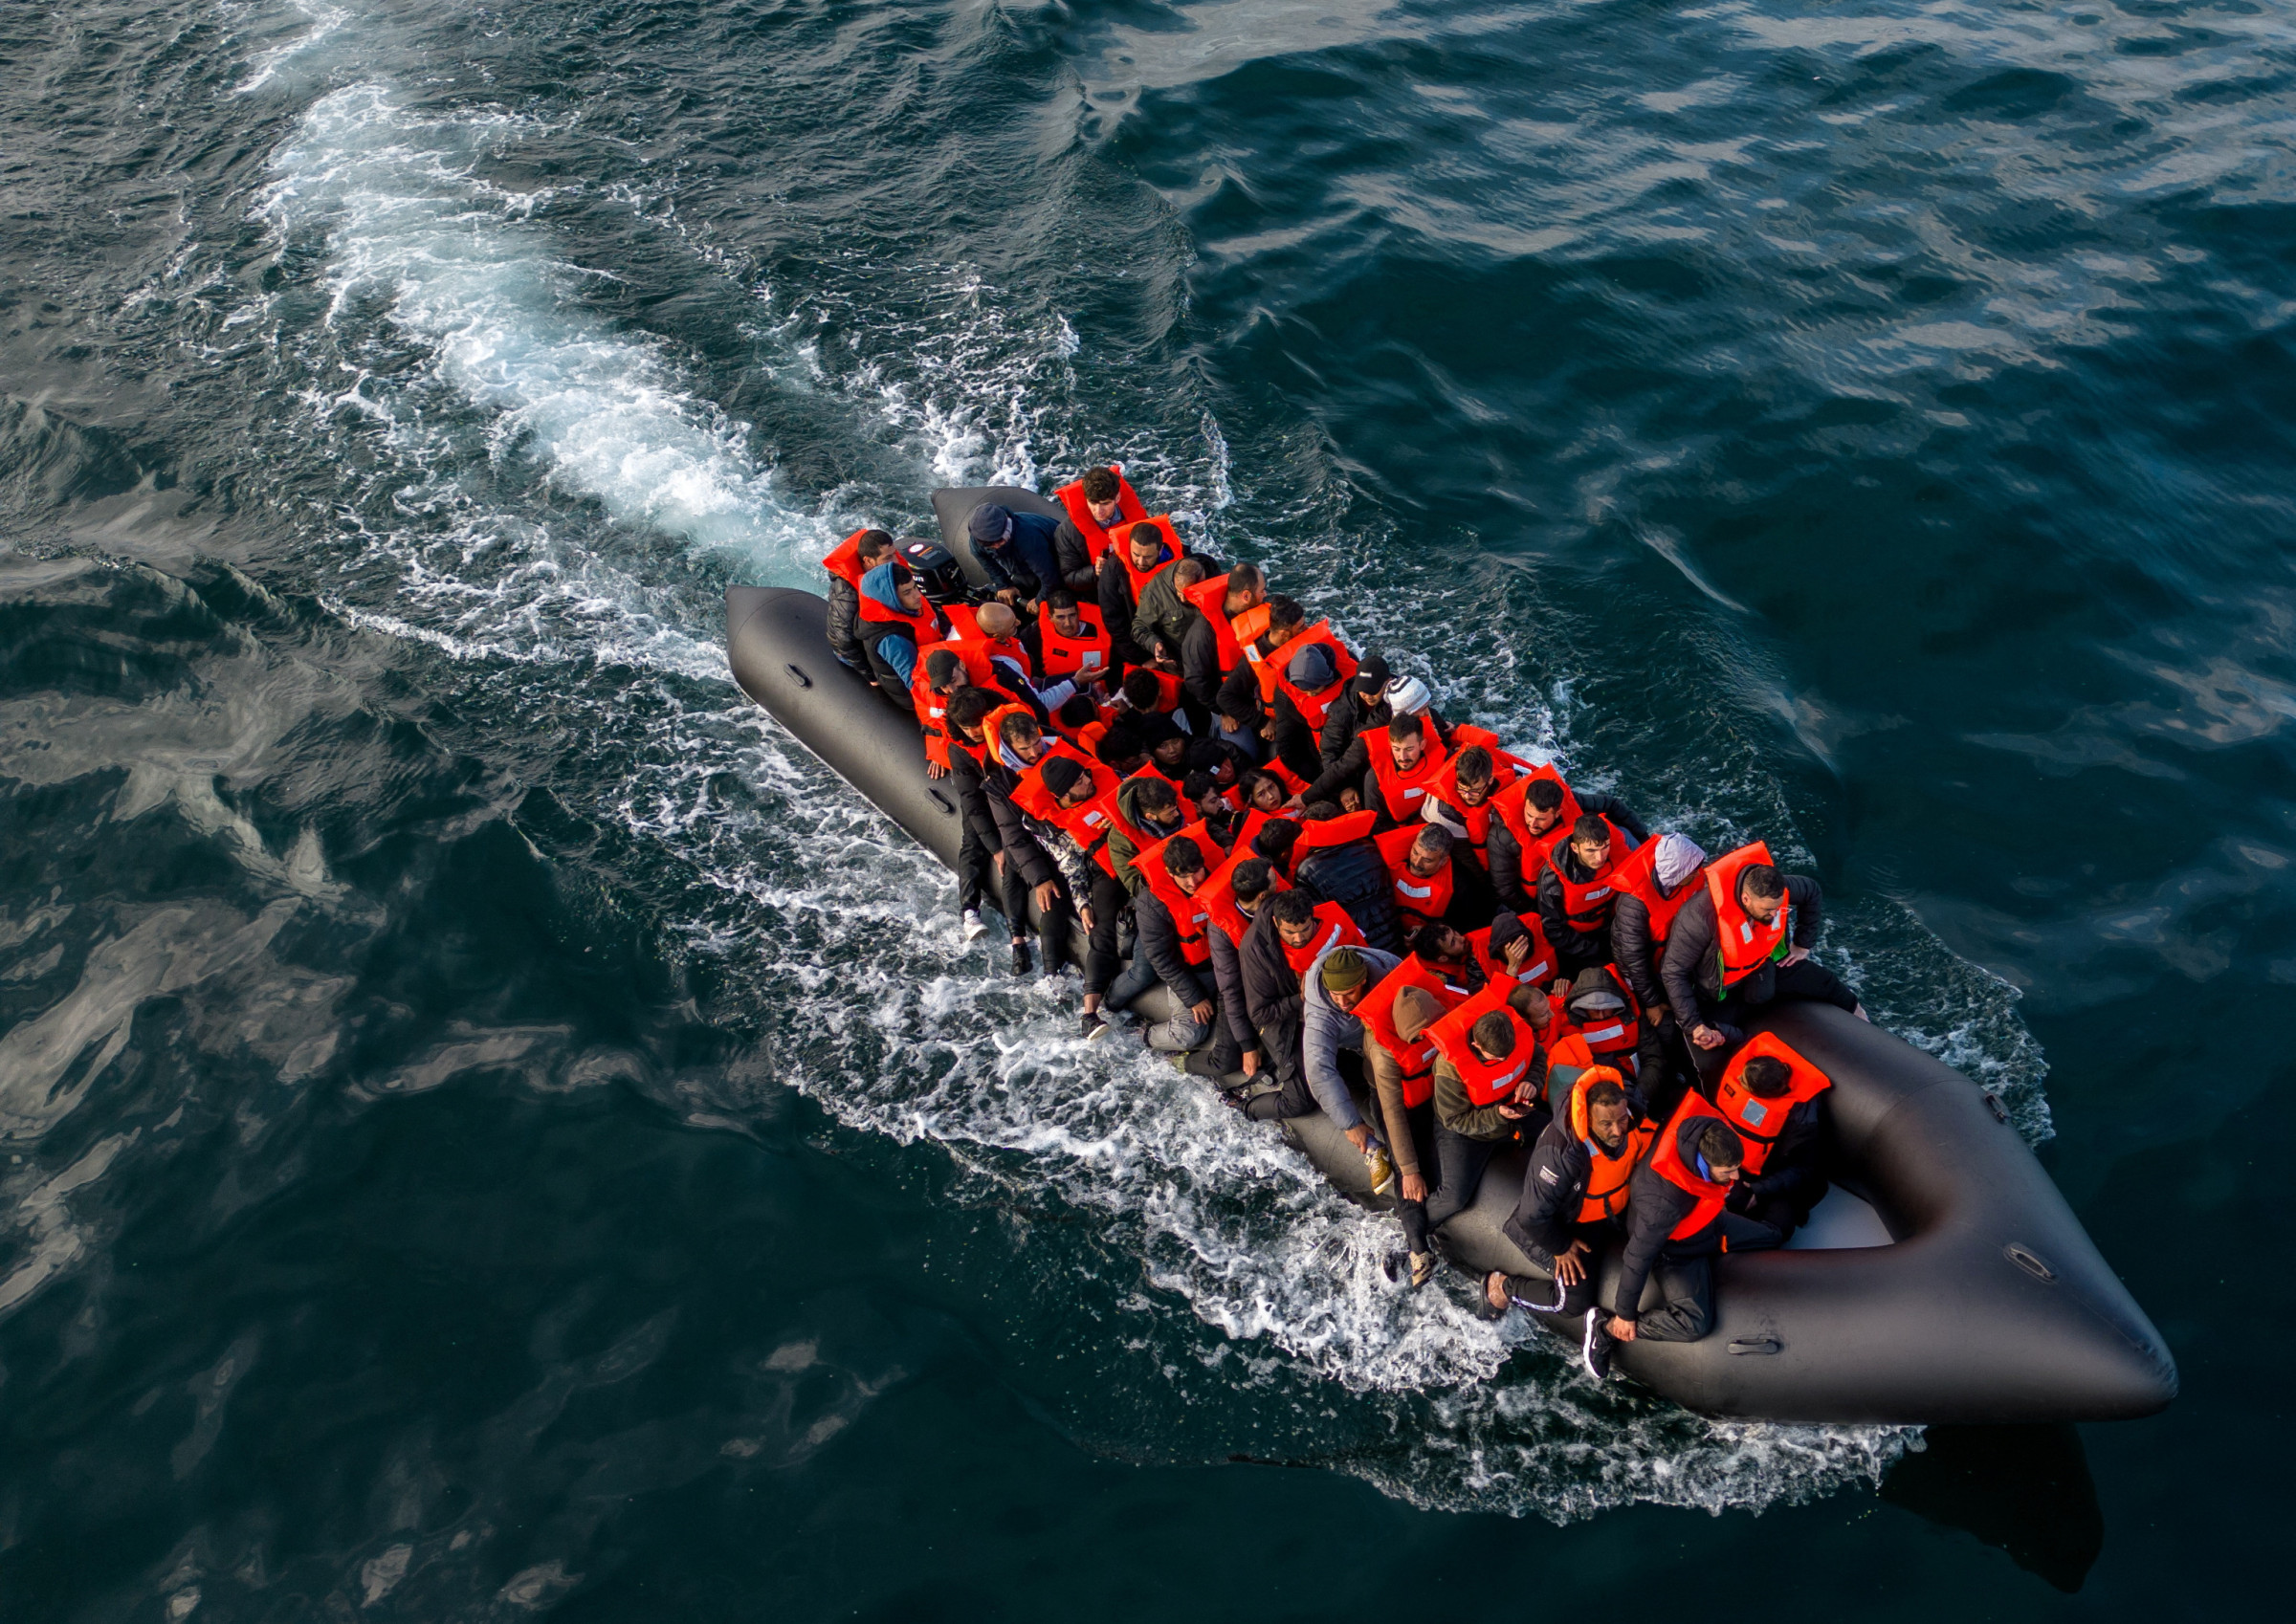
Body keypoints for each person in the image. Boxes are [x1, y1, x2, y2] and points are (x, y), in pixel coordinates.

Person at [1584, 1101, 1783, 1379]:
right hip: (1675, 1250)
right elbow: (1637, 1257)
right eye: (1728, 1172)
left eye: (1736, 1168)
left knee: (1772, 1236)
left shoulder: (1704, 1132)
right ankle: (1604, 1329)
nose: (1735, 1177)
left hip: (1708, 1221)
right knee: (1694, 1325)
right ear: (1705, 1162)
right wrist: (1624, 1314)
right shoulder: (1663, 1205)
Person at [1658, 841, 1865, 1086]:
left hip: (1762, 967)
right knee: (1708, 1046)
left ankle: (1865, 1025)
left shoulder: (1778, 891)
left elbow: (1811, 891)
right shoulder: (1699, 919)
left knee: (1826, 982)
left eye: (1778, 908)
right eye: (1768, 910)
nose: (1775, 915)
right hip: (1721, 990)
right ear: (1746, 898)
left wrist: (1802, 944)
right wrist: (1694, 1025)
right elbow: (1673, 972)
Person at [1357, 945, 1490, 1287]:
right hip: (1403, 1103)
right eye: (1419, 1038)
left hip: (1438, 1096)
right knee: (1413, 1179)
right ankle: (1416, 1245)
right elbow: (1393, 1111)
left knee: (1445, 1180)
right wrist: (1411, 1171)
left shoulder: (1446, 1013)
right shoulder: (1385, 1053)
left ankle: (1410, 1236)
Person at [1488, 1064, 1651, 1324]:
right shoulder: (1561, 1154)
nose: (1618, 1131)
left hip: (1607, 1211)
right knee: (1572, 1302)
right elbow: (1532, 1216)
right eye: (1606, 1124)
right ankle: (1502, 1288)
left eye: (1621, 1120)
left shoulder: (1632, 1117)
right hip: (1566, 1224)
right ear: (1587, 1117)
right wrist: (1561, 1247)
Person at [1421, 964, 1552, 1246]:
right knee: (1454, 1197)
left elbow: (1538, 1057)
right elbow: (1455, 1120)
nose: (1504, 1064)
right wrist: (1498, 1115)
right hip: (1466, 1130)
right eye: (1497, 1059)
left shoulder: (1516, 1032)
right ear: (1478, 1046)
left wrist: (1532, 1081)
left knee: (1558, 1134)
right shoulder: (1450, 1069)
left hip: (1512, 1110)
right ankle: (1414, 1233)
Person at [1012, 751, 1128, 1038]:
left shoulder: (1110, 784)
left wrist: (1123, 818)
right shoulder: (1054, 827)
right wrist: (1083, 903)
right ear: (1063, 795)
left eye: (1085, 774)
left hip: (1132, 847)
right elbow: (1071, 867)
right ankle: (1090, 1014)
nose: (1088, 781)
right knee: (1100, 932)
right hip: (1103, 868)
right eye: (1079, 781)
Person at [1117, 834, 1247, 1077]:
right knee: (1188, 1035)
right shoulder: (1152, 903)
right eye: (1183, 876)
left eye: (1197, 871)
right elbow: (1161, 958)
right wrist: (1194, 998)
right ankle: (1144, 1035)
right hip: (1193, 972)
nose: (1193, 881)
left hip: (1229, 963)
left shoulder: (1222, 875)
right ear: (1169, 873)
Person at [1238, 889, 1365, 1120]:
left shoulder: (1332, 917)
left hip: (1338, 1010)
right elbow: (1260, 1014)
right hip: (1288, 1022)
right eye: (1289, 932)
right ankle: (1244, 1109)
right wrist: (1301, 999)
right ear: (1276, 923)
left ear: (1313, 918)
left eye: (1305, 929)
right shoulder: (1259, 952)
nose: (1298, 939)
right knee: (1300, 1101)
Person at [1607, 831, 1706, 1117]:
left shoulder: (1684, 882)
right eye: (1694, 868)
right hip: (1644, 973)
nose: (1700, 872)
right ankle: (1670, 1076)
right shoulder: (1634, 905)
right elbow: (1635, 962)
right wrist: (1651, 1002)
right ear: (1678, 874)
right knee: (1662, 1027)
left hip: (1671, 963)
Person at [982, 709, 1082, 977]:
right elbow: (1013, 834)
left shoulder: (1059, 745)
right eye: (1025, 748)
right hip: (1032, 841)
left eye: (1037, 742)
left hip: (1068, 833)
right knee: (1051, 894)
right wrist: (1039, 878)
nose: (1035, 753)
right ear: (1009, 746)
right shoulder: (999, 781)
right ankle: (1047, 967)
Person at [1300, 946, 1403, 1196]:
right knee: (1381, 1097)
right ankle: (1376, 1149)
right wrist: (1350, 1124)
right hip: (1358, 1048)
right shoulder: (1322, 1015)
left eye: (1349, 993)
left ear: (1364, 981)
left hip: (1394, 1034)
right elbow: (1319, 1070)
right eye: (1335, 994)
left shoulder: (1388, 969)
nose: (1342, 1002)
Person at [1711, 1035, 1834, 1240]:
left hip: (1772, 1177)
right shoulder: (1751, 1075)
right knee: (1734, 1201)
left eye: (1745, 1083)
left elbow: (1804, 1168)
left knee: (1782, 1226)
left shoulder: (1802, 1120)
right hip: (1739, 1166)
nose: (1739, 1082)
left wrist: (1761, 1190)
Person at [1491, 769, 1650, 911]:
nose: (1532, 823)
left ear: (1558, 812)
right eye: (1529, 815)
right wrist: (1541, 911)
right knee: (1503, 911)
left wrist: (1644, 838)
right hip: (1537, 897)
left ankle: (1647, 879)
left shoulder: (1573, 802)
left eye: (1541, 819)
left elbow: (1611, 804)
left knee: (1623, 833)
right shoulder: (1502, 836)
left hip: (1579, 868)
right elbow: (1506, 890)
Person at [1201, 853, 1282, 1085]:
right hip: (1243, 990)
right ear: (1263, 895)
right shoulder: (1221, 929)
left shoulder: (1283, 907)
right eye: (1274, 879)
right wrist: (1247, 1045)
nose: (1280, 881)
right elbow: (1230, 988)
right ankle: (1181, 1062)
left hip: (1277, 985)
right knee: (1225, 1061)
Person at [1292, 802, 1402, 953]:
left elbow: (1318, 918)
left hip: (1359, 947)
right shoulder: (1370, 847)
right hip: (1395, 934)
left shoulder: (1305, 871)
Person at [1537, 814, 1631, 981]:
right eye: (1591, 851)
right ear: (1575, 848)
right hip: (1574, 943)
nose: (1600, 857)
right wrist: (1597, 950)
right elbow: (1553, 929)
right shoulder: (1552, 878)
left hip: (1608, 929)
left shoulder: (1619, 855)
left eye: (1605, 847)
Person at [854, 558, 951, 696]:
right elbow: (916, 684)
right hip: (915, 688)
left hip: (936, 657)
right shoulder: (892, 641)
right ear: (890, 599)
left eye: (915, 587)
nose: (917, 595)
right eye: (907, 592)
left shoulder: (910, 603)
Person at [1097, 516, 1181, 670]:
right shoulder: (1113, 571)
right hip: (1139, 642)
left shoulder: (1181, 560)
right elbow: (1115, 623)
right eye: (1136, 554)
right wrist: (1141, 659)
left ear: (1160, 550)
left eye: (1148, 557)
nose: (1141, 562)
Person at [1375, 821, 1473, 936]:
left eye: (1427, 860)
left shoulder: (1461, 884)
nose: (1417, 863)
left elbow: (1468, 924)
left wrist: (1428, 934)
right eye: (1415, 852)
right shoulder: (1384, 863)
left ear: (1444, 861)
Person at [1052, 465, 1148, 583]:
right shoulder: (1067, 532)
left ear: (1117, 498)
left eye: (1105, 503)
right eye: (1093, 503)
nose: (1099, 511)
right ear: (1086, 498)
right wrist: (1094, 571)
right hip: (1102, 587)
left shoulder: (1136, 515)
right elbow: (1070, 577)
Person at [822, 527, 895, 677]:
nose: (895, 561)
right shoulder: (848, 595)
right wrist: (870, 674)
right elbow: (845, 641)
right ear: (868, 561)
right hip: (854, 651)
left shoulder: (885, 571)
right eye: (888, 558)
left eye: (894, 555)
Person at [966, 501, 1062, 606]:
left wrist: (1040, 600)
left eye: (1000, 540)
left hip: (1056, 557)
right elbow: (987, 562)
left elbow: (1050, 577)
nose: (997, 546)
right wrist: (1004, 585)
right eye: (989, 544)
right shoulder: (977, 541)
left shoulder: (1028, 537)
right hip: (1021, 564)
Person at [1035, 589, 1115, 686]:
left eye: (1072, 615)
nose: (1068, 623)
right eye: (1060, 617)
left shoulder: (1101, 628)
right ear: (1050, 617)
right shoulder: (1035, 636)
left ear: (1078, 613)